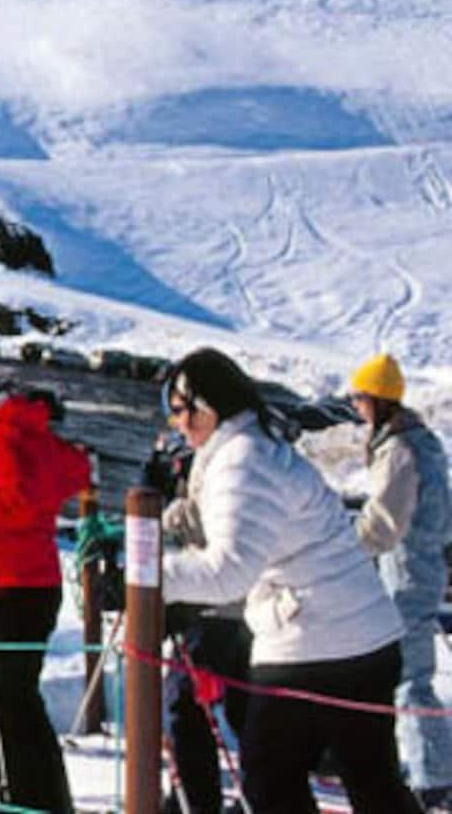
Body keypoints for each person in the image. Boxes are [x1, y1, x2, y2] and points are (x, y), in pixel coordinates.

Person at [160, 348, 420, 814]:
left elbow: (229, 570)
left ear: (208, 406)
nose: (176, 421)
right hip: (359, 637)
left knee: (270, 781)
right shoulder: (259, 448)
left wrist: (150, 580)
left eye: (180, 408)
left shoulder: (241, 461)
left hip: (316, 643)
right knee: (372, 784)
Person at [0, 359, 90, 814]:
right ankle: (44, 799)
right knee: (18, 699)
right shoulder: (25, 430)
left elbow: (17, 501)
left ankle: (25, 801)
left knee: (7, 701)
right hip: (32, 582)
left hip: (17, 586)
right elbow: (74, 470)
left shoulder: (4, 436)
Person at [349, 353, 452, 810]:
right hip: (421, 567)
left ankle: (433, 778)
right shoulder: (422, 441)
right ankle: (423, 763)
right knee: (402, 672)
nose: (355, 407)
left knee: (410, 676)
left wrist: (339, 549)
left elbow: (382, 526)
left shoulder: (399, 450)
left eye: (359, 399)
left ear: (377, 400)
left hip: (407, 572)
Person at [145, 431, 252, 814]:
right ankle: (250, 794)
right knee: (240, 707)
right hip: (230, 609)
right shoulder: (228, 473)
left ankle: (198, 799)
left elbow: (187, 530)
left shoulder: (215, 482)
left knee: (186, 704)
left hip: (219, 611)